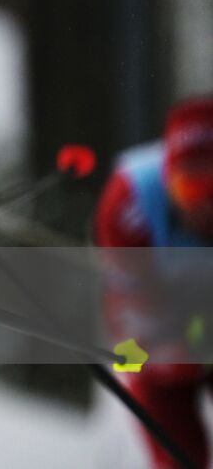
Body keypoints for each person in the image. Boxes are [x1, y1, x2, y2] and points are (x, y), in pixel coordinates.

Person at [94, 95, 213, 468]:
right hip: (163, 336)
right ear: (167, 179)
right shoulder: (131, 201)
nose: (203, 208)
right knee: (179, 457)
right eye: (190, 189)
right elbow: (128, 330)